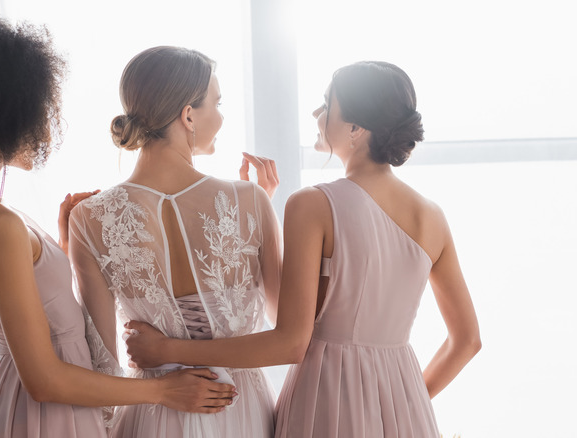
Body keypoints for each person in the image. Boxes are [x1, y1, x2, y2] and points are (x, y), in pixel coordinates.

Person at [0, 15, 235, 438]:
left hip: (10, 402)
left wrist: (58, 252)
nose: (45, 124)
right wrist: (164, 392)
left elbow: (0, 338)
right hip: (50, 415)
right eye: (39, 105)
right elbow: (44, 381)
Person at [124, 61, 482, 437]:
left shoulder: (313, 204)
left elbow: (290, 343)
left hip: (326, 401)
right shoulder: (432, 216)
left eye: (327, 104)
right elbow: (467, 340)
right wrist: (405, 403)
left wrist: (167, 350)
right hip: (404, 411)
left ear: (356, 128)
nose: (316, 113)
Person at [68, 46, 283, 438]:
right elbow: (285, 335)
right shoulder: (250, 201)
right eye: (217, 103)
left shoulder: (89, 218)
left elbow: (101, 365)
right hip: (241, 411)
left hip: (152, 417)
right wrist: (261, 209)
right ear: (188, 115)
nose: (221, 116)